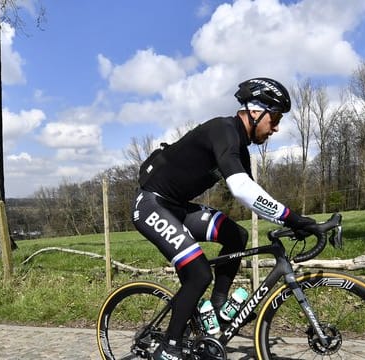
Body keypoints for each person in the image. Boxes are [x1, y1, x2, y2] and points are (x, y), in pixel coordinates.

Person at [132, 77, 316, 360]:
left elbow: (255, 197)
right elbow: (241, 190)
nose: (276, 127)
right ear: (256, 111)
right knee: (199, 273)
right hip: (151, 205)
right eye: (275, 118)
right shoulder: (223, 130)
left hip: (178, 207)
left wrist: (290, 222)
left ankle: (218, 306)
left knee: (236, 235)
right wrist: (293, 219)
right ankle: (169, 347)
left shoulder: (239, 148)